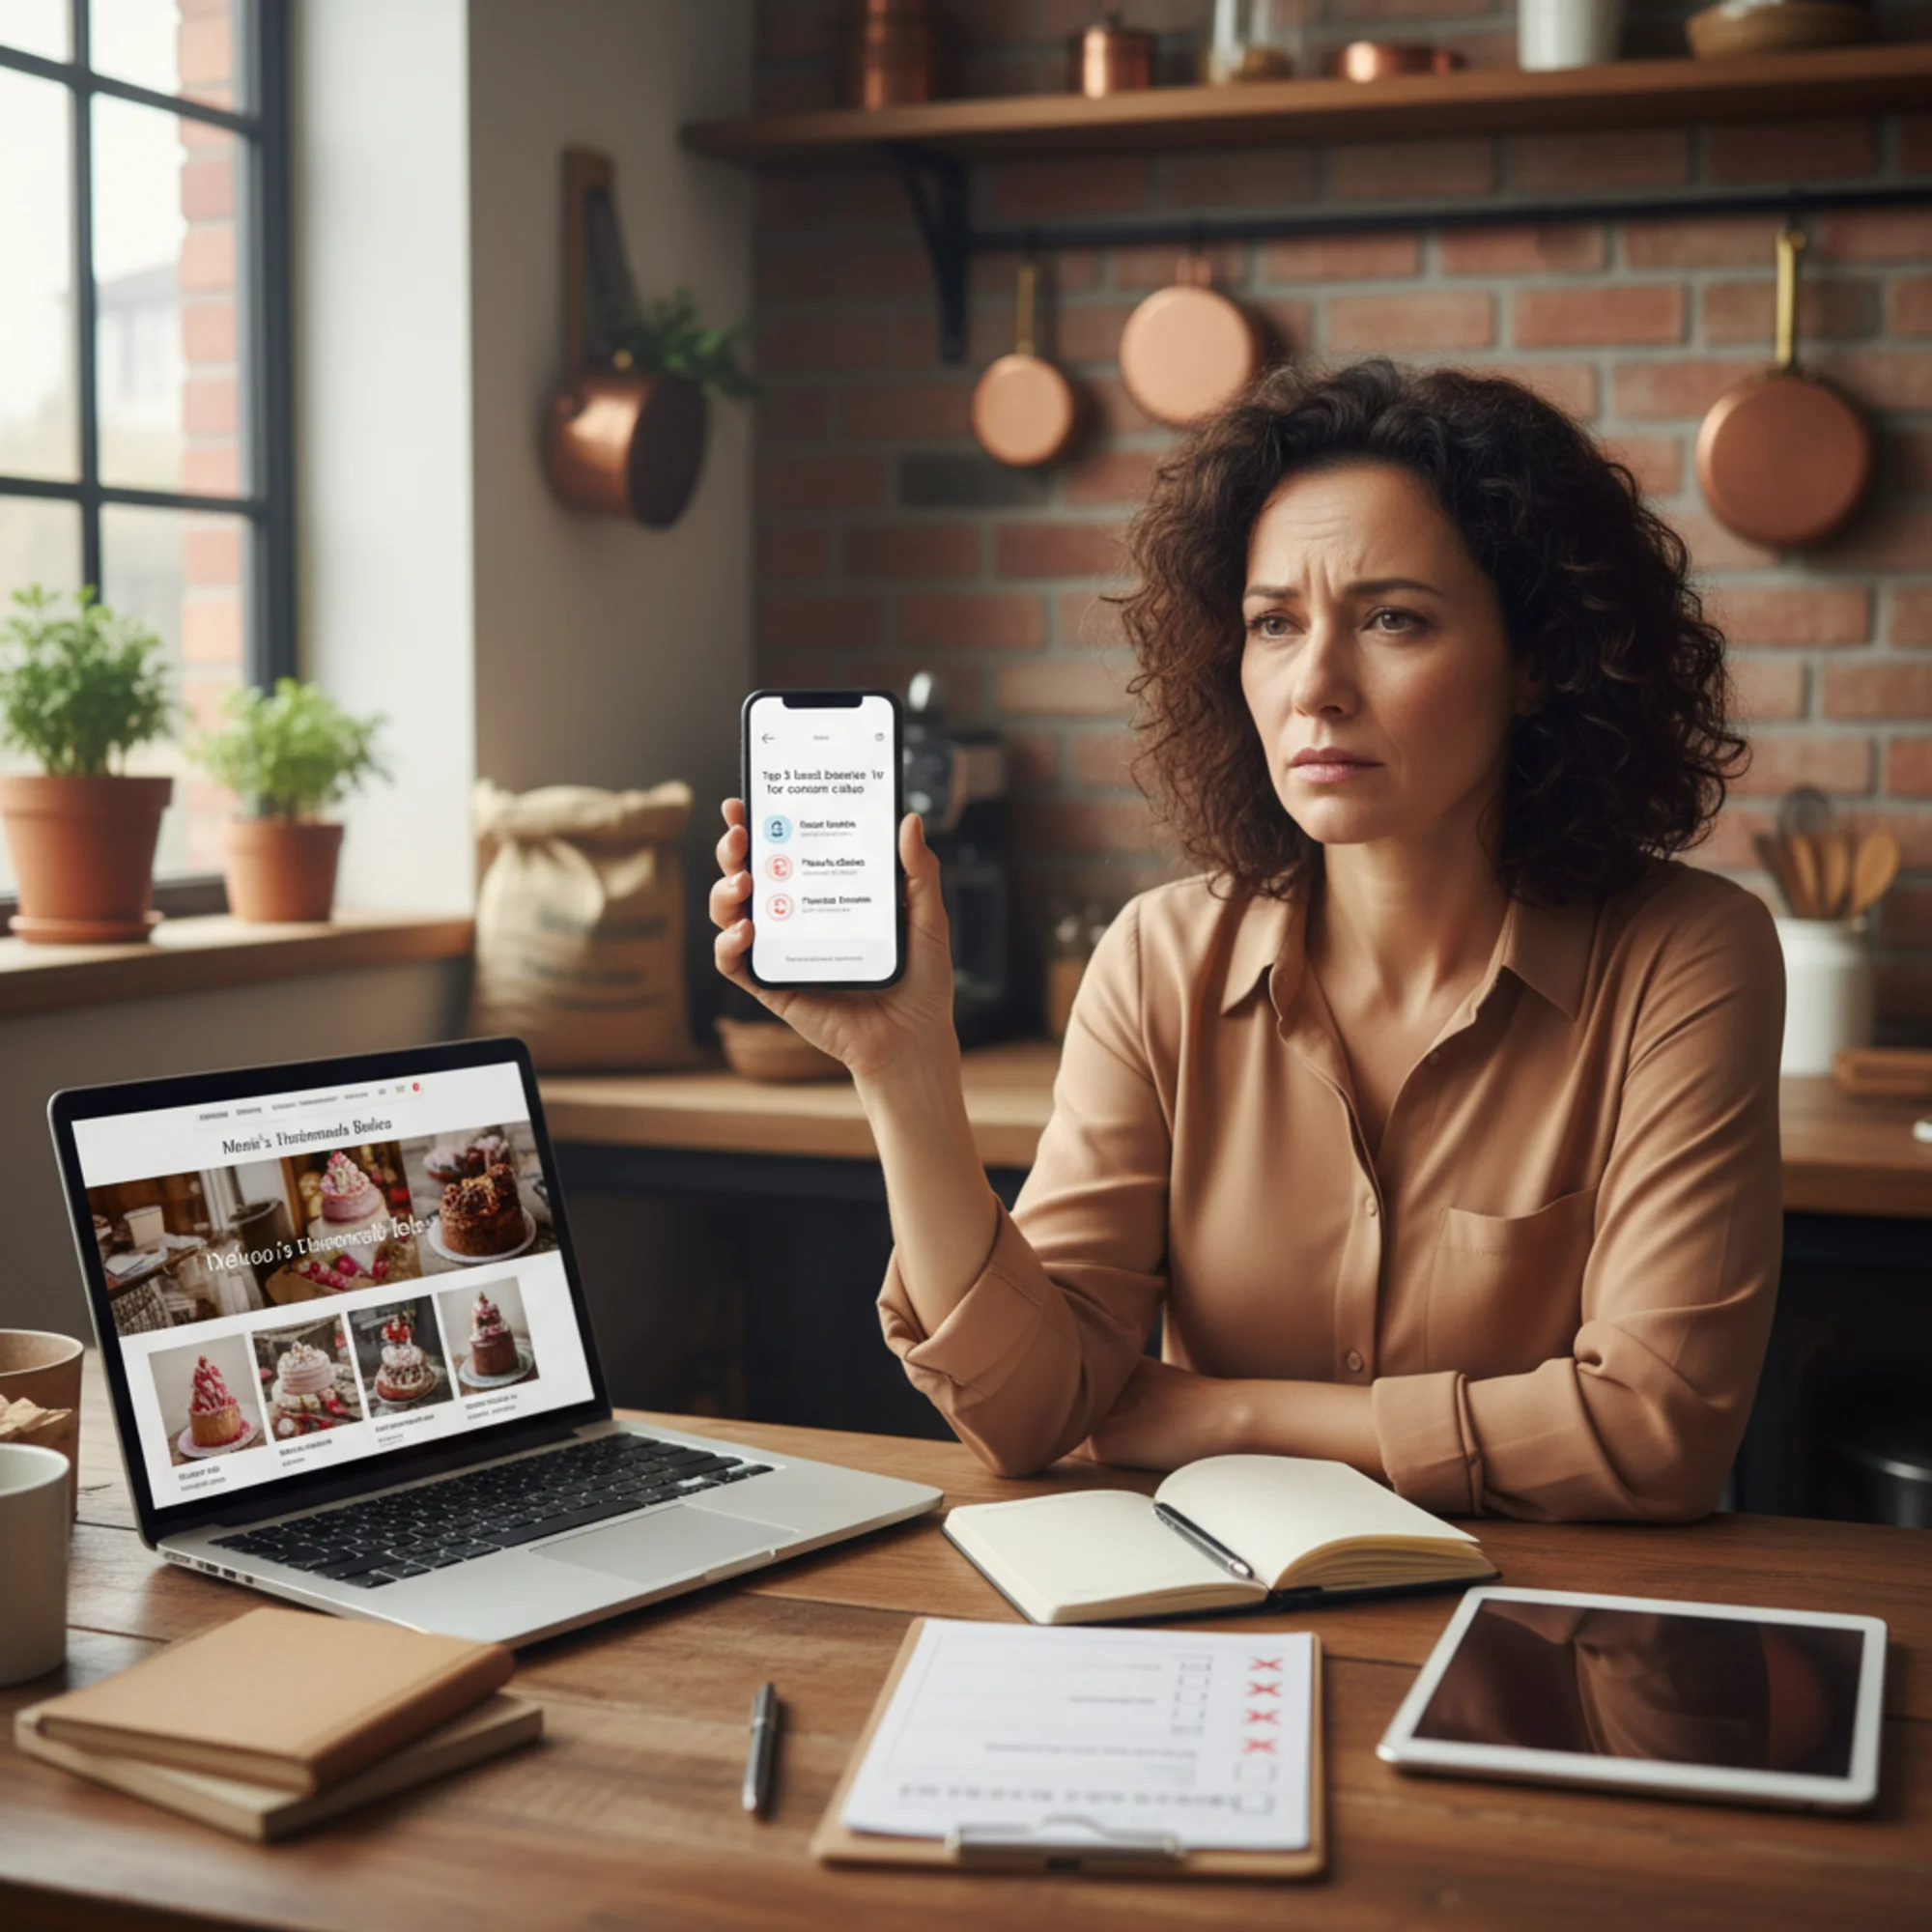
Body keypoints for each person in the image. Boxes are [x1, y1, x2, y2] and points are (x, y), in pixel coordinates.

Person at [711, 359, 1783, 1522]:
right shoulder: (1156, 959)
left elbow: (1654, 1429)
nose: (1313, 685)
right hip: (1214, 1630)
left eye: (1391, 619)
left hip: (1535, 1644)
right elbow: (1027, 1413)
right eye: (1274, 623)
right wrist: (902, 1068)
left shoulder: (1688, 954)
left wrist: (1221, 1412)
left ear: (1535, 659)